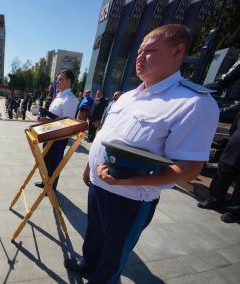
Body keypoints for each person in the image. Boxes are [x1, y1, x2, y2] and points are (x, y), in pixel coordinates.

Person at [64, 24, 219, 283]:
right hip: (99, 186)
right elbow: (106, 137)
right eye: (138, 51)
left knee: (113, 254)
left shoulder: (194, 103)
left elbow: (191, 168)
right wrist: (90, 166)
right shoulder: (127, 97)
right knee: (93, 236)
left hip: (130, 200)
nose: (139, 57)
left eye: (148, 51)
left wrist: (126, 181)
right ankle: (88, 263)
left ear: (177, 51)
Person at [35, 69, 79, 191]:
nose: (57, 82)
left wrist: (46, 121)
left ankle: (51, 188)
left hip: (59, 138)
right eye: (57, 79)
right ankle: (46, 183)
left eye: (61, 79)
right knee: (46, 160)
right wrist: (45, 118)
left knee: (54, 162)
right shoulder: (59, 96)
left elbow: (66, 123)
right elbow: (55, 116)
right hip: (49, 133)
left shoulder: (70, 99)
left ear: (69, 81)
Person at [198, 109, 240, 222]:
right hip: (235, 146)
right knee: (223, 172)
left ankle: (233, 211)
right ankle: (214, 200)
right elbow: (234, 126)